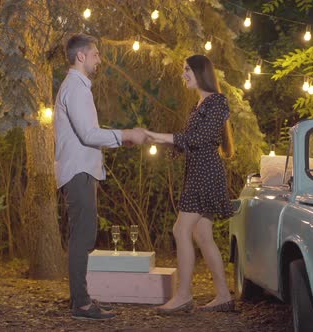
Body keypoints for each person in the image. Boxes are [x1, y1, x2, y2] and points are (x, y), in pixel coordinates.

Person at [54, 33, 147, 321]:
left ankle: (79, 300)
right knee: (83, 237)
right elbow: (89, 134)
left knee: (84, 236)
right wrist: (126, 134)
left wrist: (120, 140)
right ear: (80, 56)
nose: (99, 59)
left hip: (82, 171)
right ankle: (81, 305)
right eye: (95, 54)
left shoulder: (77, 87)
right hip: (79, 172)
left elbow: (88, 132)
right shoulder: (76, 88)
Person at [146, 54, 235, 314]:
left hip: (205, 174)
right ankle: (223, 296)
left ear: (200, 72)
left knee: (180, 229)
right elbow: (190, 141)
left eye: (186, 70)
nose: (183, 74)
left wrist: (162, 136)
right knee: (201, 234)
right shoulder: (198, 105)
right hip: (197, 171)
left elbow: (202, 138)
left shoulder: (217, 101)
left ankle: (183, 295)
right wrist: (162, 141)